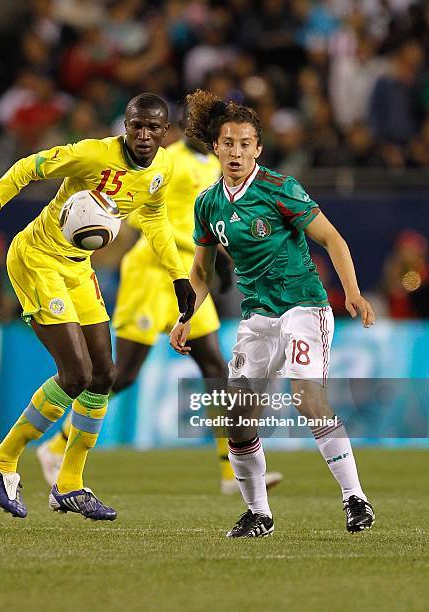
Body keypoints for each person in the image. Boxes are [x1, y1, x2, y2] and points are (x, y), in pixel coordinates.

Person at [0, 93, 196, 521]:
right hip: (37, 258)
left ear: (165, 132)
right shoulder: (92, 154)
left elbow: (153, 218)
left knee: (104, 374)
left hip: (78, 267)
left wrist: (178, 275)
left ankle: (70, 483)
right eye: (137, 126)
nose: (145, 135)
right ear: (124, 126)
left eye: (154, 128)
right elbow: (25, 170)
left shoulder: (163, 168)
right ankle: (0, 462)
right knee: (75, 375)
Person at [170, 89, 376, 537]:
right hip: (257, 317)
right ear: (216, 147)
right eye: (229, 143)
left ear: (257, 149)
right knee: (238, 417)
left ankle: (355, 499)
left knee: (307, 397)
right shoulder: (208, 204)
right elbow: (201, 274)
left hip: (304, 307)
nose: (237, 152)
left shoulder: (279, 189)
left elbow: (333, 240)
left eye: (246, 144)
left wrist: (353, 293)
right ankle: (258, 514)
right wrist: (186, 316)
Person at [36, 125, 283, 494]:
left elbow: (205, 222)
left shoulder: (212, 167)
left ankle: (232, 472)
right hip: (151, 272)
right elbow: (138, 215)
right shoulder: (172, 164)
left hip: (191, 276)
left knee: (216, 367)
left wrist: (223, 259)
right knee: (125, 373)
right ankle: (56, 446)